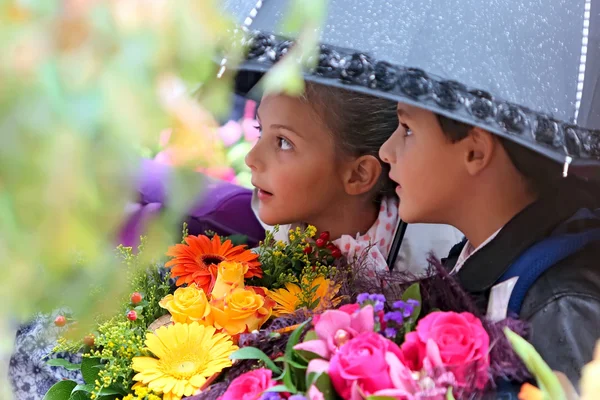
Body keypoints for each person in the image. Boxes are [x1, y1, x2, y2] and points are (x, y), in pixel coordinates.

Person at [379, 103, 600, 384]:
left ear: (475, 152)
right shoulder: (473, 259)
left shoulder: (561, 306)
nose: (386, 151)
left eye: (407, 129)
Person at [245, 82, 463, 275]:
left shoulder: (431, 258)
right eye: (260, 130)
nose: (251, 158)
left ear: (358, 174)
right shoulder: (276, 234)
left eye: (284, 142)